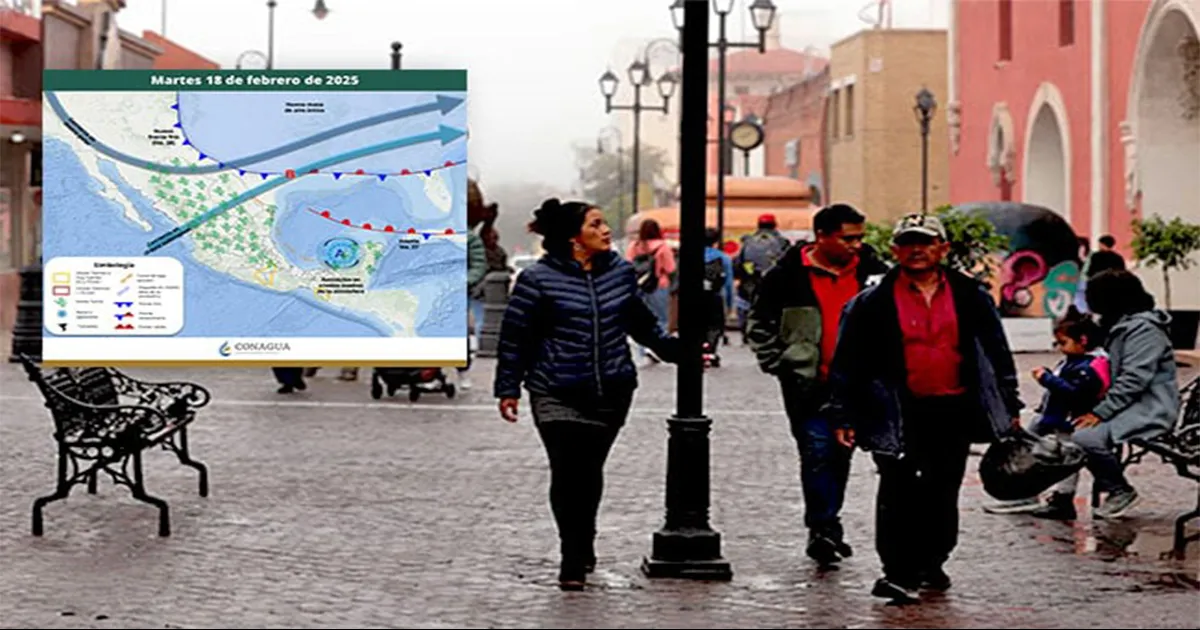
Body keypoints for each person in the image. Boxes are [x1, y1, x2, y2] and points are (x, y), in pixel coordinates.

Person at [823, 212, 1023, 604]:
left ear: (942, 249)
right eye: (909, 243)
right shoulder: (871, 303)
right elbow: (848, 361)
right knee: (897, 489)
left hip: (954, 408)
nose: (917, 250)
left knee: (942, 490)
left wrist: (1009, 402)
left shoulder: (970, 296)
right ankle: (896, 571)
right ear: (895, 250)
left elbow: (997, 352)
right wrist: (842, 413)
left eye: (926, 242)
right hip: (896, 410)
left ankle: (933, 559)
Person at [493, 198, 679, 591]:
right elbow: (515, 338)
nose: (606, 230)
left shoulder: (621, 274)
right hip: (555, 388)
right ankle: (571, 555)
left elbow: (642, 325)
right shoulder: (538, 280)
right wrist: (508, 387)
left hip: (610, 389)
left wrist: (677, 351)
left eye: (605, 223)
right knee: (567, 471)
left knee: (589, 471)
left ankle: (583, 538)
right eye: (596, 224)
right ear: (573, 237)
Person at [745, 203, 887, 566]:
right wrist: (780, 362)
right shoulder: (786, 276)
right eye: (847, 238)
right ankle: (823, 527)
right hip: (809, 384)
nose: (856, 245)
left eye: (859, 237)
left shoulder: (874, 273)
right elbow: (759, 322)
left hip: (859, 385)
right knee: (818, 450)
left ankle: (828, 522)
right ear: (821, 236)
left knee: (841, 454)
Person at [1068, 269, 1180, 520]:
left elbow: (1134, 380)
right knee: (1064, 425)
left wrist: (1100, 412)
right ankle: (1057, 498)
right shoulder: (1120, 325)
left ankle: (1120, 490)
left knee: (1086, 437)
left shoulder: (1144, 330)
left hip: (1152, 408)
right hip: (1131, 404)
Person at [984, 306, 1111, 519]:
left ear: (1083, 341)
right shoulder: (1073, 362)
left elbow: (1074, 393)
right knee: (1032, 448)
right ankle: (1025, 493)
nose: (1060, 347)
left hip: (1067, 421)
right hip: (1052, 418)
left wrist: (1047, 378)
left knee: (1064, 460)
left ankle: (1062, 499)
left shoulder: (1087, 367)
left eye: (1064, 343)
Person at [733, 214, 790, 343]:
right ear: (775, 225)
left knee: (748, 306)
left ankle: (747, 333)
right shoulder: (782, 242)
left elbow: (738, 264)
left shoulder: (748, 241)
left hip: (750, 281)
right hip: (775, 282)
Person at [625, 218, 676, 361]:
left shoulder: (634, 246)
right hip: (659, 284)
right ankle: (657, 348)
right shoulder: (663, 247)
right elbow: (671, 267)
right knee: (661, 318)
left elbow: (628, 265)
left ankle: (644, 348)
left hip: (639, 285)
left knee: (641, 319)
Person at [702, 227, 734, 365]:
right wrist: (729, 303)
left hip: (695, 297)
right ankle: (710, 351)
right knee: (715, 325)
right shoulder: (722, 258)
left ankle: (700, 349)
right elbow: (728, 283)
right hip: (715, 295)